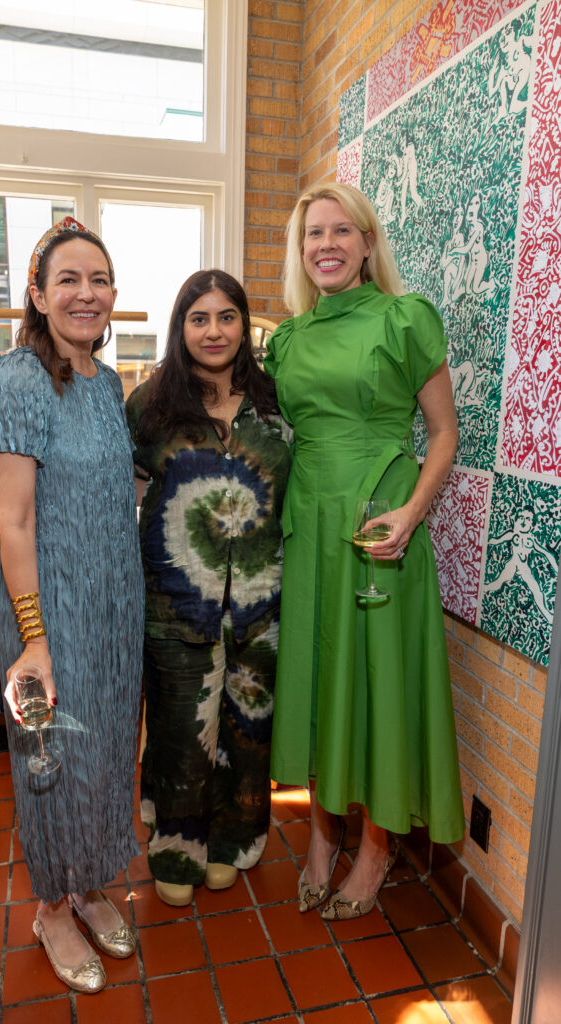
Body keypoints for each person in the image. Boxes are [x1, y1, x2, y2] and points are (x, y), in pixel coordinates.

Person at [265, 182, 464, 920]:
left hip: (380, 523)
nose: (325, 244)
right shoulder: (285, 338)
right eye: (313, 233)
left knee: (376, 681)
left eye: (340, 231)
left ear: (366, 242)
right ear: (300, 249)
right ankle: (321, 835)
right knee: (320, 679)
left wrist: (412, 513)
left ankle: (376, 847)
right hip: (310, 525)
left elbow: (442, 432)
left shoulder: (402, 318)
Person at [0, 217, 144, 991]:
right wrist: (35, 641)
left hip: (115, 604)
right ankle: (50, 907)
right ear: (38, 294)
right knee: (50, 760)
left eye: (98, 280)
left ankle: (89, 884)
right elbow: (12, 522)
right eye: (67, 280)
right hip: (49, 614)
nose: (86, 293)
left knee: (107, 749)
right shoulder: (15, 379)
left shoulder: (107, 382)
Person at [126, 269, 292, 907]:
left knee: (246, 725)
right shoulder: (149, 405)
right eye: (200, 318)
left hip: (259, 603)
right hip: (175, 605)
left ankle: (230, 840)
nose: (215, 330)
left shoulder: (276, 403)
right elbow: (129, 491)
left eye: (227, 317)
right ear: (181, 326)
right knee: (180, 729)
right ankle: (177, 847)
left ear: (244, 326)